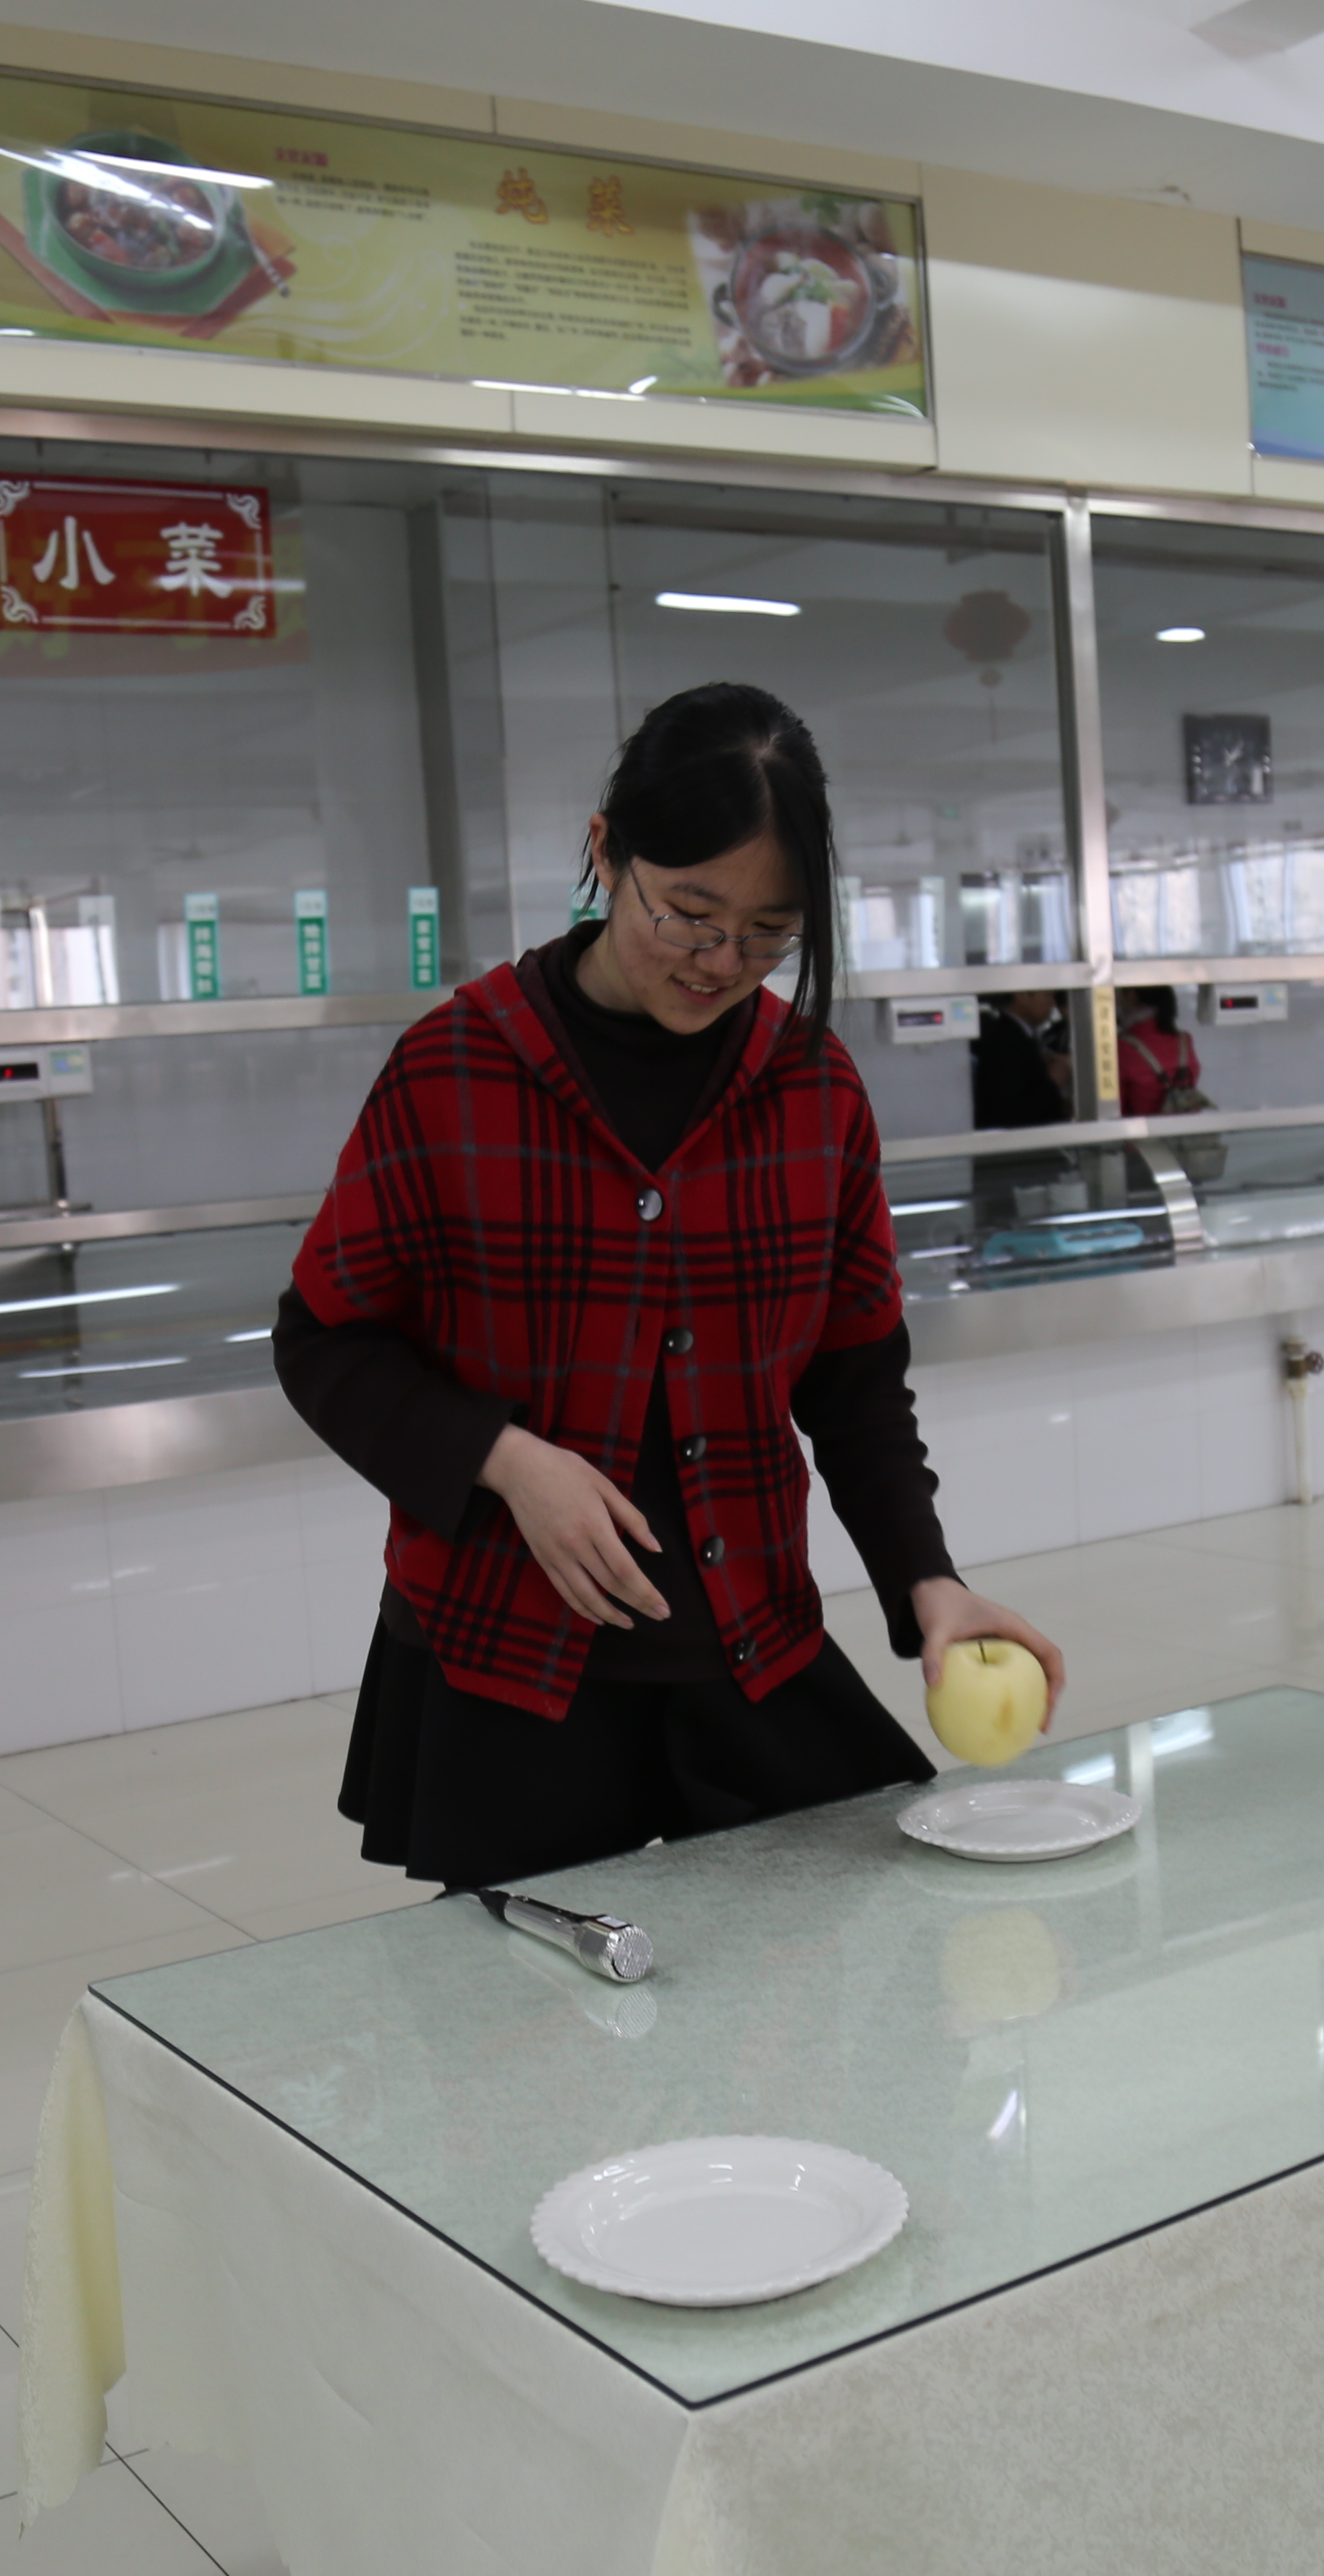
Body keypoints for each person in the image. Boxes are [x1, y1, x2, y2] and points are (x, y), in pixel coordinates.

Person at [278, 682, 1066, 1894]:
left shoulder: (813, 1089)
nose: (720, 962)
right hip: (508, 1659)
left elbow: (854, 1377)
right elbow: (325, 1337)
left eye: (767, 932)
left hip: (747, 1644)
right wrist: (505, 1459)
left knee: (857, 1964)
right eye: (689, 913)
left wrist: (930, 1582)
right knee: (529, 2006)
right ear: (606, 851)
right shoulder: (455, 1069)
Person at [971, 987, 1071, 1128]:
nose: (1053, 1003)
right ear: (1022, 995)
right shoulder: (1005, 1042)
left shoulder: (1019, 1036)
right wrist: (1054, 1081)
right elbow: (1013, 1111)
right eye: (1048, 996)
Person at [1116, 983, 1208, 1117]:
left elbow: (1115, 1109)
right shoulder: (1184, 1040)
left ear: (1131, 995)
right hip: (1185, 1128)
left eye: (1118, 994)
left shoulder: (1123, 1047)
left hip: (1143, 1128)